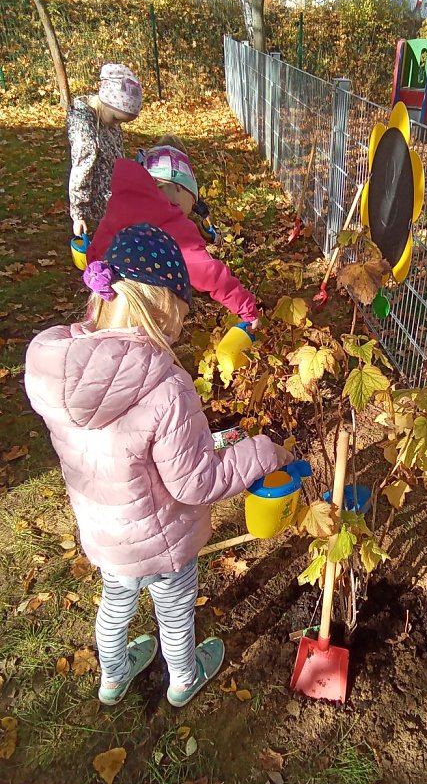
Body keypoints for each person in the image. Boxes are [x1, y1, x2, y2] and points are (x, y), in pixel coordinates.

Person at [24, 223, 292, 707]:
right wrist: (263, 452)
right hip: (165, 542)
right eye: (181, 314)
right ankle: (184, 678)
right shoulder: (166, 387)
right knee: (174, 612)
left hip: (108, 539)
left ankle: (113, 676)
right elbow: (195, 482)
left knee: (115, 609)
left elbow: (123, 450)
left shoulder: (59, 372)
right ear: (164, 308)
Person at [87, 143, 259, 328]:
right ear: (178, 188)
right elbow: (208, 273)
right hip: (147, 318)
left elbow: (94, 253)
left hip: (104, 307)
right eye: (191, 202)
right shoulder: (174, 226)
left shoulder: (117, 208)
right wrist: (246, 308)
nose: (189, 211)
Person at [67, 64, 143, 237]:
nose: (117, 125)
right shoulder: (85, 129)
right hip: (96, 207)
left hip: (112, 198)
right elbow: (82, 170)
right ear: (105, 102)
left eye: (122, 122)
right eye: (116, 118)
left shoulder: (108, 121)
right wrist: (79, 215)